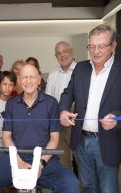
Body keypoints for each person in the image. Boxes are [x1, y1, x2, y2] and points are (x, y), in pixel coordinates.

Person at [59, 24, 121, 193]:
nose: (95, 51)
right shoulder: (81, 68)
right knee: (87, 185)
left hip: (108, 140)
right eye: (91, 46)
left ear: (113, 45)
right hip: (81, 140)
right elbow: (68, 92)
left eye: (101, 46)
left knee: (108, 188)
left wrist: (118, 117)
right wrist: (63, 110)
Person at [0, 64, 78, 193]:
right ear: (19, 81)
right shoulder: (11, 103)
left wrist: (40, 164)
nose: (28, 81)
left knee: (70, 183)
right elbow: (6, 136)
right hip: (15, 157)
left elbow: (54, 139)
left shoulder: (51, 103)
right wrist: (17, 160)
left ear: (39, 80)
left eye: (32, 77)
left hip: (44, 159)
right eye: (24, 78)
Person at [45, 41, 78, 177]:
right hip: (57, 122)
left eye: (65, 51)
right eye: (58, 53)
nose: (62, 55)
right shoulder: (53, 74)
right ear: (55, 56)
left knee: (80, 159)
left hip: (77, 121)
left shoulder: (82, 71)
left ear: (72, 51)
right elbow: (48, 98)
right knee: (63, 158)